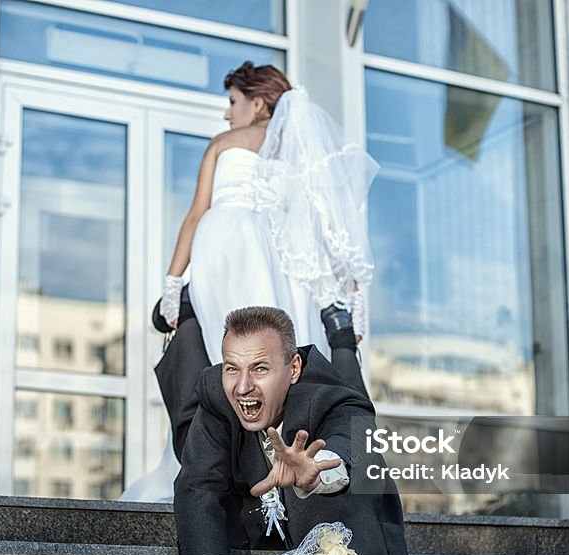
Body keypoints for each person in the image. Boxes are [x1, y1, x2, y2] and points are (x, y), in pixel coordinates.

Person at [121, 62, 377, 502]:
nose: (226, 114)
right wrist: (353, 300)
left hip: (225, 252)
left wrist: (171, 282)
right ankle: (286, 467)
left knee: (229, 363)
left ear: (257, 102)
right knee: (271, 366)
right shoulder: (301, 156)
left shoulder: (224, 144)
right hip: (276, 262)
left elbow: (196, 215)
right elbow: (331, 230)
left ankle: (226, 470)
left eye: (232, 101)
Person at [173, 307, 418, 555]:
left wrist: (317, 472)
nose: (242, 386)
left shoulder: (333, 397)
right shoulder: (216, 392)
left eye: (260, 368)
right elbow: (198, 484)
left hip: (354, 552)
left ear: (294, 368)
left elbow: (352, 441)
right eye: (232, 368)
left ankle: (343, 339)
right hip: (255, 534)